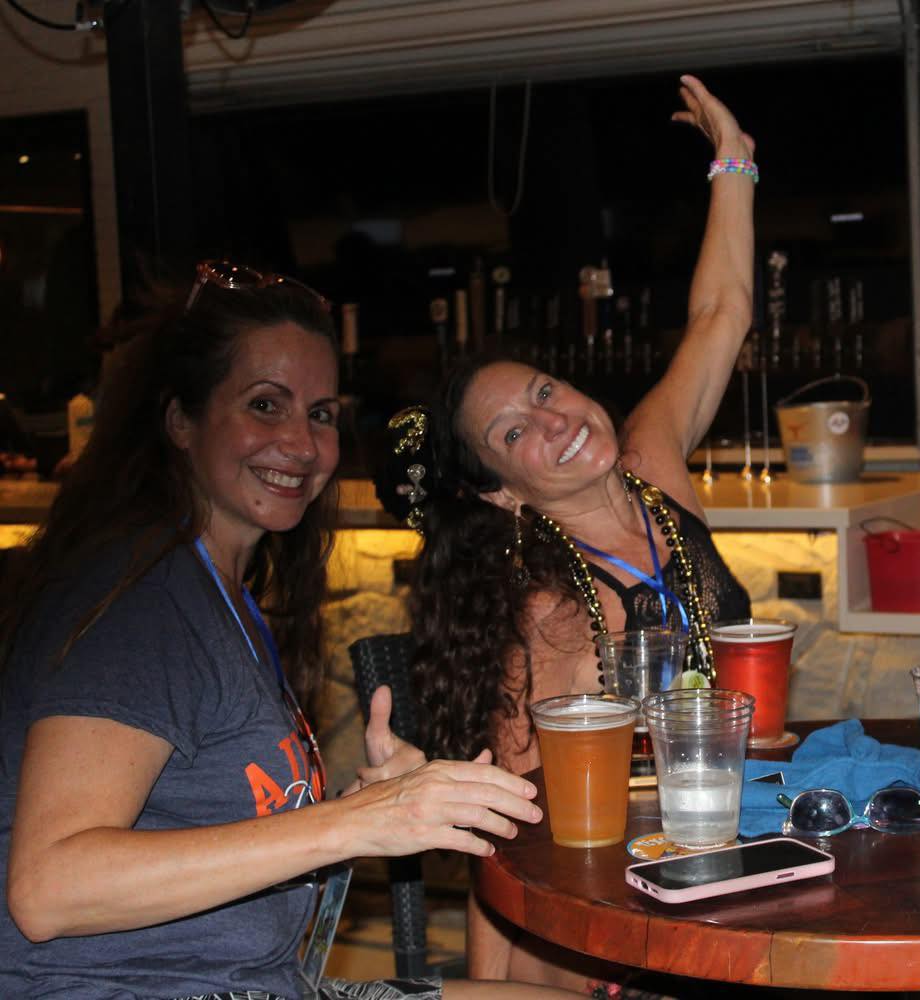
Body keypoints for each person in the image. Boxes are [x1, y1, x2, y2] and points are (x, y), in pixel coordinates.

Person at [0, 262, 568, 1000]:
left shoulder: (220, 594)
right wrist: (357, 822)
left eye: (321, 414)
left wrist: (358, 806)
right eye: (265, 405)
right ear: (180, 421)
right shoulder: (139, 601)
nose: (301, 443)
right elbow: (50, 888)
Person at [374, 75, 754, 987]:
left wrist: (734, 162)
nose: (554, 422)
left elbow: (720, 316)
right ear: (504, 493)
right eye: (515, 435)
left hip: (734, 862)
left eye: (544, 392)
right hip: (619, 926)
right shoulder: (542, 618)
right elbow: (509, 843)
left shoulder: (654, 469)